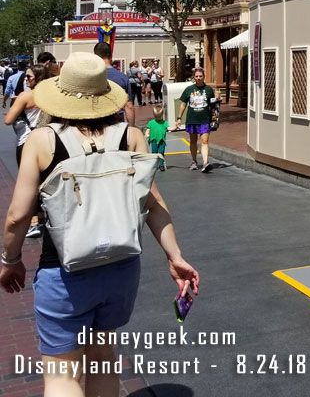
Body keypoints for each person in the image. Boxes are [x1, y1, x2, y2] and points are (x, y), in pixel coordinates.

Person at [0, 52, 199, 397]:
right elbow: (154, 206)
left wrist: (10, 260)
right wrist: (175, 256)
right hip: (121, 268)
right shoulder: (131, 137)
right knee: (104, 359)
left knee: (62, 376)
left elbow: (18, 216)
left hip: (64, 271)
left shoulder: (43, 140)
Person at [3, 63, 54, 239]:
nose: (25, 79)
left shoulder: (26, 96)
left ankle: (34, 222)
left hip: (27, 142)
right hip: (49, 141)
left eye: (29, 77)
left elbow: (8, 119)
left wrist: (18, 105)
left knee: (29, 183)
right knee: (45, 181)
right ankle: (44, 218)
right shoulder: (52, 95)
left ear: (38, 78)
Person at [174, 67, 219, 173]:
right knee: (193, 141)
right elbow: (183, 104)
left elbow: (213, 105)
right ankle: (194, 161)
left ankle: (205, 162)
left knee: (204, 141)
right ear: (194, 77)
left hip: (204, 119)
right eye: (197, 76)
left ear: (203, 77)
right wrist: (179, 118)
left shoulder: (208, 90)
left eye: (200, 76)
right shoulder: (189, 90)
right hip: (192, 119)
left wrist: (217, 101)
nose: (198, 78)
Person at [93, 42, 134, 128]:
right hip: (117, 123)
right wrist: (131, 128)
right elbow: (129, 106)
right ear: (111, 56)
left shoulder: (91, 77)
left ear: (95, 57)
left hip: (97, 123)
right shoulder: (123, 78)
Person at [146, 105, 169, 172]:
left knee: (161, 152)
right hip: (154, 140)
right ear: (154, 115)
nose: (158, 118)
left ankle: (161, 164)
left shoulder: (164, 123)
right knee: (154, 152)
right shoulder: (151, 122)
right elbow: (148, 129)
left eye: (159, 116)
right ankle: (154, 164)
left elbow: (169, 128)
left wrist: (175, 128)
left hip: (161, 140)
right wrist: (146, 134)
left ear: (162, 115)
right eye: (156, 116)